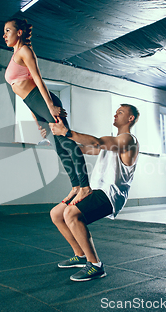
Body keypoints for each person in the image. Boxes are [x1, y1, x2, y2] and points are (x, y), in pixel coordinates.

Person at [3, 18, 91, 204]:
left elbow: (37, 78)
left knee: (67, 143)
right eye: (4, 31)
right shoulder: (15, 55)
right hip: (35, 106)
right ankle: (75, 186)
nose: (4, 35)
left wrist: (50, 105)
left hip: (43, 101)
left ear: (19, 32)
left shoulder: (25, 51)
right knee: (59, 149)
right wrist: (37, 120)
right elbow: (24, 96)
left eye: (8, 30)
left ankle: (85, 187)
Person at [49, 104, 140, 281]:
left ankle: (96, 265)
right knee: (57, 214)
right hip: (96, 190)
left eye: (120, 112)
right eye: (115, 111)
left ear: (130, 119)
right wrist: (55, 137)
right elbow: (83, 148)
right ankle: (80, 256)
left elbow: (97, 142)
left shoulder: (128, 140)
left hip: (111, 195)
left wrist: (67, 131)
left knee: (72, 214)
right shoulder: (113, 142)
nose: (115, 114)